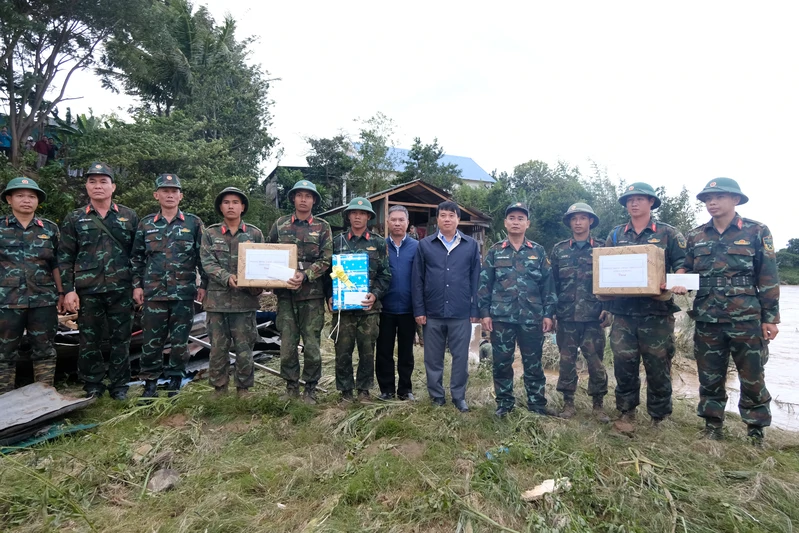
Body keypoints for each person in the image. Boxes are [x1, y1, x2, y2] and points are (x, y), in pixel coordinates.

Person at [684, 178, 779, 443]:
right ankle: (713, 426)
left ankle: (755, 430)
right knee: (709, 375)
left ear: (735, 200)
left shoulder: (756, 231)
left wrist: (770, 318)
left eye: (718, 197)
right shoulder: (696, 235)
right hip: (707, 317)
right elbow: (688, 271)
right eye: (707, 199)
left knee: (752, 375)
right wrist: (676, 281)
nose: (711, 203)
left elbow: (768, 276)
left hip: (746, 318)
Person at [604, 182, 687, 427]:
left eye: (640, 199)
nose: (634, 203)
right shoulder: (616, 234)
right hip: (623, 314)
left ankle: (659, 417)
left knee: (658, 365)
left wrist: (676, 282)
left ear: (651, 202)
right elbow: (604, 267)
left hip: (657, 314)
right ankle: (626, 412)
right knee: (623, 363)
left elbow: (683, 264)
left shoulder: (669, 233)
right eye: (629, 200)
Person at [59, 162, 139, 399]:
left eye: (103, 181)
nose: (98, 186)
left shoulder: (128, 216)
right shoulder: (75, 218)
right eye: (92, 181)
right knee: (89, 340)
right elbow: (65, 257)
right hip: (88, 290)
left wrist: (137, 286)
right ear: (86, 187)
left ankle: (119, 385)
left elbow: (138, 254)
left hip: (121, 288)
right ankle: (92, 384)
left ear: (113, 187)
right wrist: (68, 290)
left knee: (121, 339)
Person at [478, 202, 557, 417]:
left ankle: (537, 404)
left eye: (520, 218)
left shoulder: (538, 252)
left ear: (527, 223)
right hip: (501, 318)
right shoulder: (495, 251)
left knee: (534, 363)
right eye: (512, 217)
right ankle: (504, 404)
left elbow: (548, 286)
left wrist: (549, 314)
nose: (516, 222)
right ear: (505, 222)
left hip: (532, 317)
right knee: (502, 363)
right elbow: (484, 285)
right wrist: (484, 314)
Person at [132, 173, 206, 398]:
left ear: (181, 196)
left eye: (174, 191)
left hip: (183, 293)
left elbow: (202, 256)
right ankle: (150, 383)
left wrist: (205, 284)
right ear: (157, 195)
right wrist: (137, 286)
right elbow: (136, 258)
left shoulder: (193, 223)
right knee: (151, 340)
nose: (170, 195)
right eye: (165, 191)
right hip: (154, 293)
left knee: (180, 340)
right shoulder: (146, 224)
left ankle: (175, 380)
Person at [267, 180, 332, 404]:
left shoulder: (322, 227)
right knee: (287, 345)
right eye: (299, 195)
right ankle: (291, 386)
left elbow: (327, 259)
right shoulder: (280, 225)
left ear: (314, 200)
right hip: (286, 296)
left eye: (308, 196)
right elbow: (269, 254)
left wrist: (305, 275)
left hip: (312, 297)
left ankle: (310, 388)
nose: (303, 199)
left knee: (312, 346)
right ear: (293, 198)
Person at [413, 200, 481, 412]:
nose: (447, 219)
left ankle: (458, 396)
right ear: (438, 219)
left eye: (452, 215)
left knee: (460, 357)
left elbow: (476, 279)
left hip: (461, 312)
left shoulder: (470, 245)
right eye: (443, 215)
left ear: (458, 219)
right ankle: (436, 396)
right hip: (432, 312)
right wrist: (419, 310)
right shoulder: (425, 245)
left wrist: (475, 309)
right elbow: (417, 279)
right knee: (433, 358)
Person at [0, 177, 64, 392]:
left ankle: (44, 396)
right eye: (20, 195)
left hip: (43, 300)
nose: (26, 200)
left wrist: (62, 293)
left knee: (44, 350)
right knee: (4, 351)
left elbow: (57, 263)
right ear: (9, 199)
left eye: (31, 196)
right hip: (6, 302)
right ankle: (4, 399)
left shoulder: (49, 229)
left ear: (38, 201)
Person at [200, 187, 264, 398]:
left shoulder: (254, 234)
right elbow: (207, 263)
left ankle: (243, 388)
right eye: (226, 202)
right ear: (220, 206)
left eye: (235, 202)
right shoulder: (210, 233)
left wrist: (263, 282)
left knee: (245, 347)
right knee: (218, 347)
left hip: (245, 301)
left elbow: (264, 263)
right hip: (217, 301)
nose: (231, 206)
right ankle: (219, 387)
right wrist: (226, 277)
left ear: (243, 206)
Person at [550, 203, 611, 422]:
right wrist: (552, 312)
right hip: (566, 316)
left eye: (583, 218)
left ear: (591, 221)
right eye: (574, 219)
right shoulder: (559, 250)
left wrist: (608, 309)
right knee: (567, 361)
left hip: (594, 316)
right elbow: (553, 284)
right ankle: (568, 404)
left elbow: (610, 283)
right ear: (569, 223)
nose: (578, 222)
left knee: (595, 362)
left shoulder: (602, 248)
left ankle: (598, 405)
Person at [327, 197, 391, 402]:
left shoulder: (378, 243)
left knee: (367, 350)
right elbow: (325, 271)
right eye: (354, 213)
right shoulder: (336, 242)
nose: (358, 216)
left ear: (368, 217)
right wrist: (330, 295)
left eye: (362, 214)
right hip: (342, 310)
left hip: (368, 309)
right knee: (343, 350)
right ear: (348, 216)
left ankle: (364, 390)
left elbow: (386, 274)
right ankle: (345, 391)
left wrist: (375, 294)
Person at [376, 205, 419, 401]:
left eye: (401, 220)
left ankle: (405, 389)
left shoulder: (417, 247)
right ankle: (386, 389)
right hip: (384, 308)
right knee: (384, 350)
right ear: (388, 222)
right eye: (393, 219)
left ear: (408, 223)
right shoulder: (380, 246)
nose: (397, 223)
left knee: (406, 352)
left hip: (408, 309)